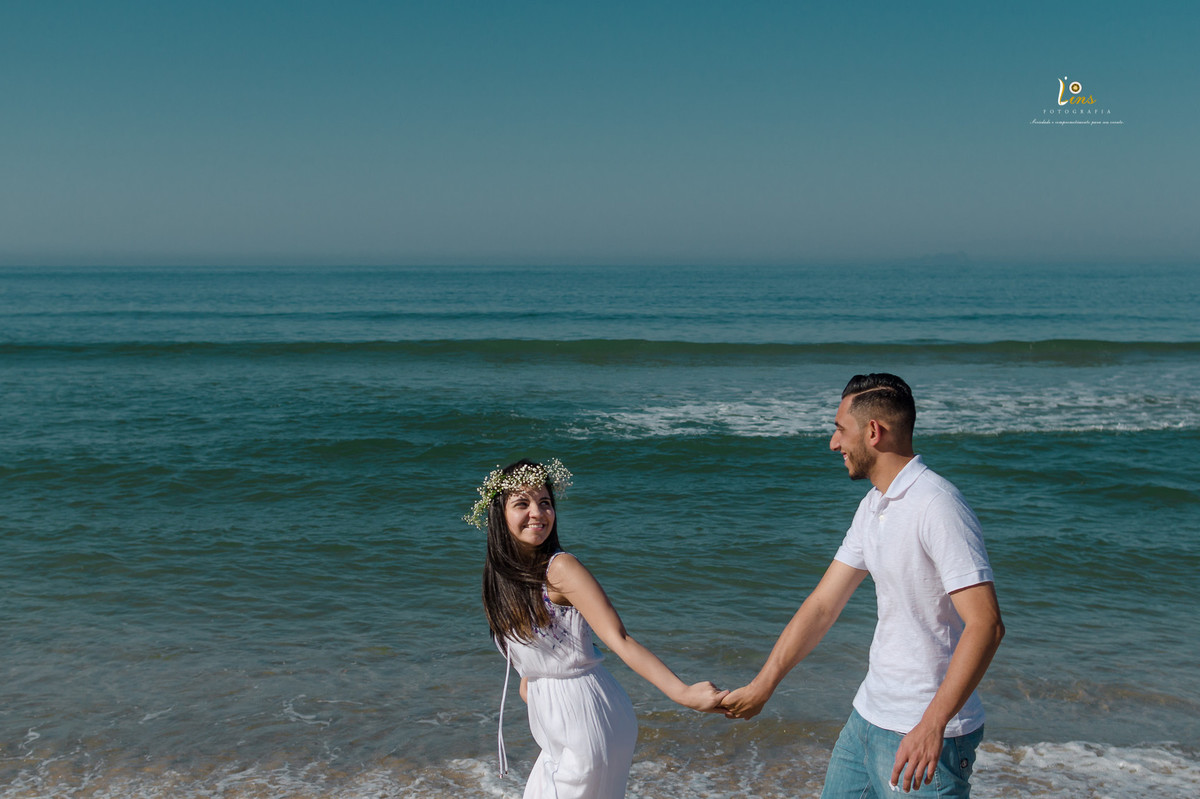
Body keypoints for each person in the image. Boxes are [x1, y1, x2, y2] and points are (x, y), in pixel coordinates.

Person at [721, 374, 1005, 797]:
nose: (833, 443)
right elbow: (823, 605)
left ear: (873, 431)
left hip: (926, 734)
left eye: (840, 430)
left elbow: (986, 625)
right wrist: (764, 684)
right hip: (867, 719)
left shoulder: (937, 505)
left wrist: (931, 725)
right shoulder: (874, 505)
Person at [471, 458, 727, 799]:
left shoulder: (560, 568)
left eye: (545, 502)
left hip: (588, 717)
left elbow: (619, 638)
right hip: (555, 728)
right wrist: (537, 685)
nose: (538, 513)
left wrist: (684, 694)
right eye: (522, 504)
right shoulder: (503, 580)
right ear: (499, 514)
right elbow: (533, 656)